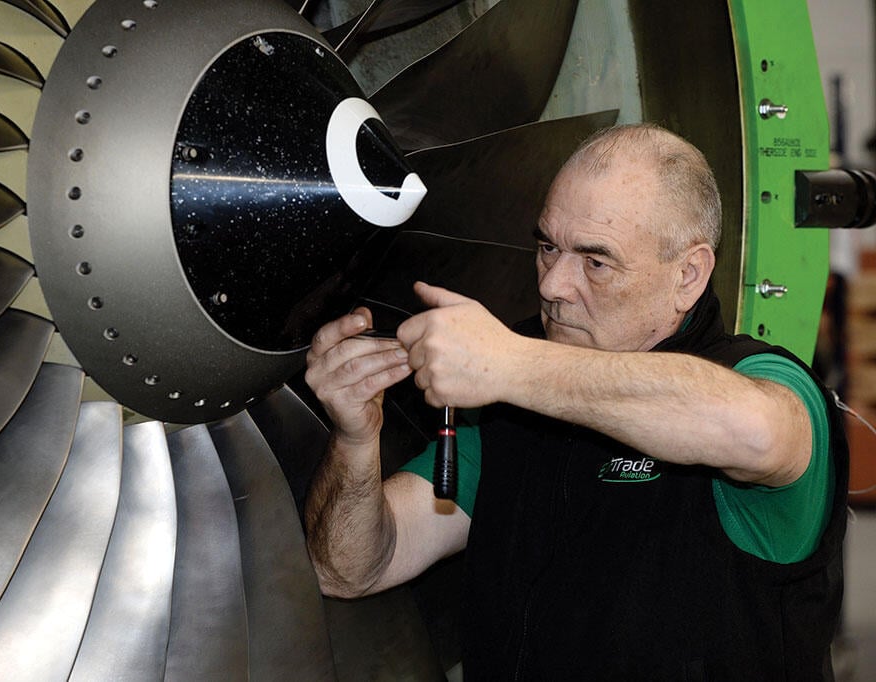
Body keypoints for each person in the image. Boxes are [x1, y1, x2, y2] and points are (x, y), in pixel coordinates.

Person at [303, 123, 847, 680]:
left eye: (595, 261)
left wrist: (511, 364)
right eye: (547, 247)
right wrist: (354, 438)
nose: (554, 285)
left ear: (688, 275)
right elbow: (350, 567)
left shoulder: (759, 377)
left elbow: (754, 430)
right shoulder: (511, 419)